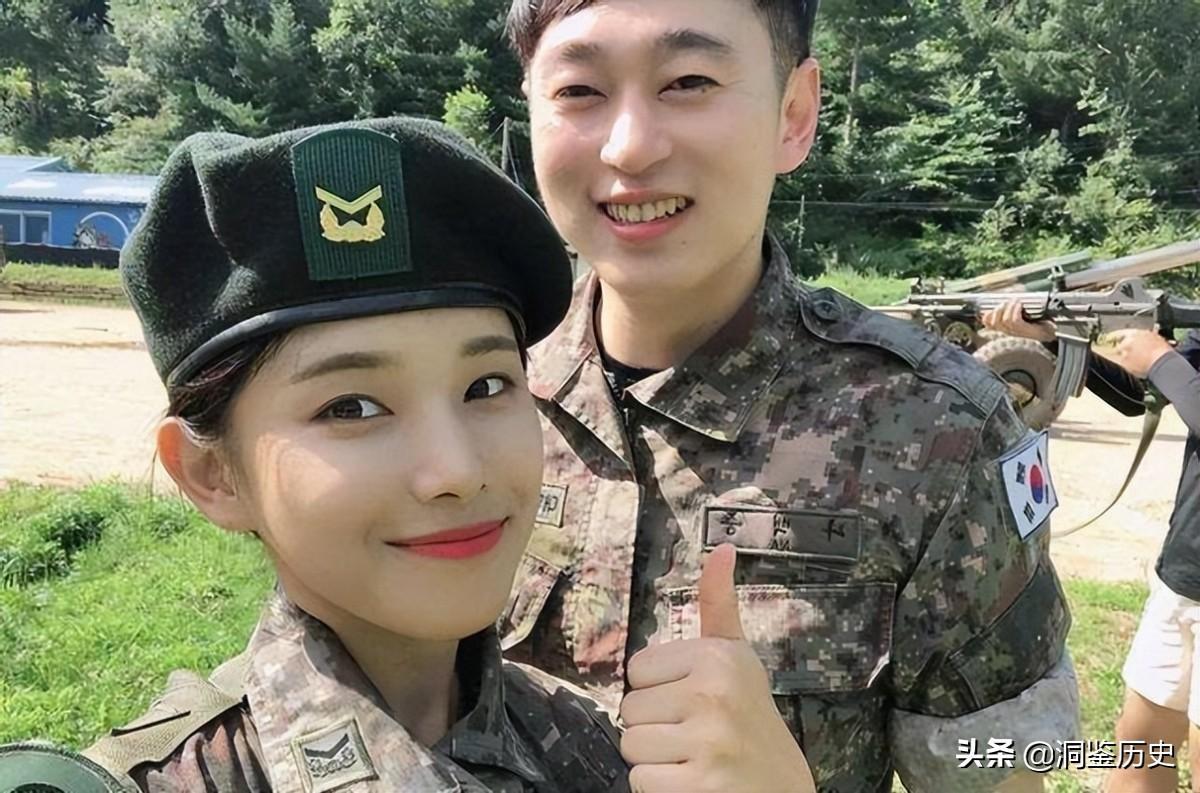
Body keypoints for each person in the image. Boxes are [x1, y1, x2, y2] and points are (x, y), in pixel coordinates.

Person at [497, 1, 1080, 791]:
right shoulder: (476, 397)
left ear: (794, 114)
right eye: (578, 90)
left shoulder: (941, 431)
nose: (629, 145)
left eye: (688, 81)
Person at [29, 117, 639, 792]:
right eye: (351, 407)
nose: (458, 472)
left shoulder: (597, 749)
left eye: (485, 386)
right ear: (212, 474)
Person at [984, 300, 1200, 793]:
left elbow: (1168, 374)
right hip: (1184, 575)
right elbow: (1140, 395)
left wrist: (1161, 359)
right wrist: (1053, 339)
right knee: (1139, 754)